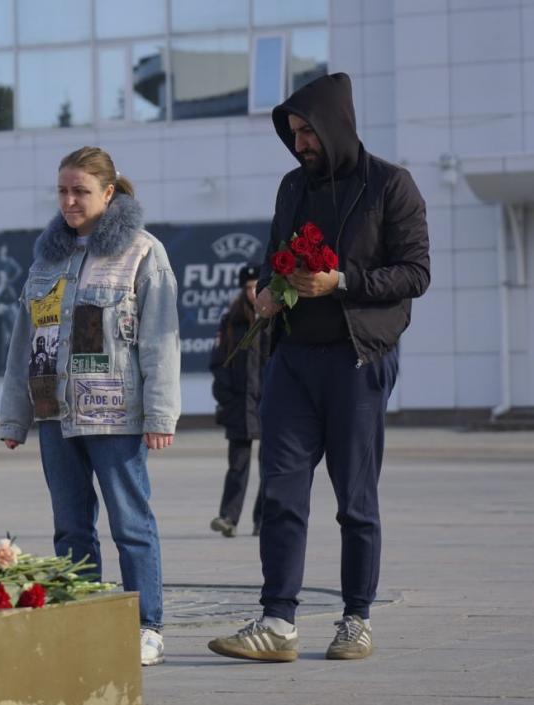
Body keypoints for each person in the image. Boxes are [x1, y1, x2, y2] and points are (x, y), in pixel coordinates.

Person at [208, 73, 430, 662]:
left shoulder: (391, 185)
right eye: (295, 134)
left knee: (355, 500)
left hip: (357, 361)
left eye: (308, 132)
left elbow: (416, 274)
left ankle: (356, 618)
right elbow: (274, 256)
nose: (301, 143)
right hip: (293, 361)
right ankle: (277, 621)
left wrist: (343, 282)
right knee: (280, 492)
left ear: (336, 127)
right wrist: (266, 290)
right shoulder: (291, 187)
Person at [0, 146, 181, 667]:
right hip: (56, 414)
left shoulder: (143, 253)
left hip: (116, 414)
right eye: (62, 190)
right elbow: (23, 341)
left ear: (108, 192)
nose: (70, 200)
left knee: (130, 522)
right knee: (70, 526)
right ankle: (82, 618)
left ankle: (147, 625)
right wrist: (16, 417)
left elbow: (159, 339)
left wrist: (160, 414)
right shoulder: (46, 259)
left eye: (80, 191)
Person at [208, 264, 268, 538]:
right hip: (239, 407)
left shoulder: (276, 316)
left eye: (256, 286)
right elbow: (218, 362)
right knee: (237, 465)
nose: (252, 292)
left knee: (272, 466)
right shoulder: (231, 320)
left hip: (271, 405)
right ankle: (228, 518)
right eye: (247, 287)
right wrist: (226, 397)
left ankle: (264, 520)